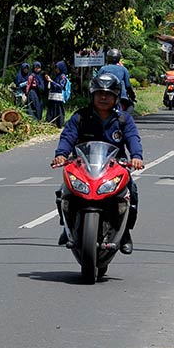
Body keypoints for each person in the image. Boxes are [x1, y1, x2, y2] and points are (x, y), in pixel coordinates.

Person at [52, 72, 144, 254]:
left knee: (131, 192)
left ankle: (125, 233)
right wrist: (61, 155)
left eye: (108, 94)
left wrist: (136, 156)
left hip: (114, 167)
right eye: (99, 93)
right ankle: (67, 226)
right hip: (82, 166)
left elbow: (133, 138)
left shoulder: (123, 119)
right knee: (64, 191)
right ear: (92, 95)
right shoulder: (80, 117)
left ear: (116, 97)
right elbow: (67, 137)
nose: (103, 97)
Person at [45, 60, 69, 128]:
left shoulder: (63, 77)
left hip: (58, 97)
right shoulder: (57, 76)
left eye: (57, 68)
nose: (56, 70)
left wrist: (51, 81)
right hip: (53, 97)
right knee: (52, 110)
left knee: (58, 110)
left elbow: (60, 86)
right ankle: (52, 122)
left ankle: (59, 123)